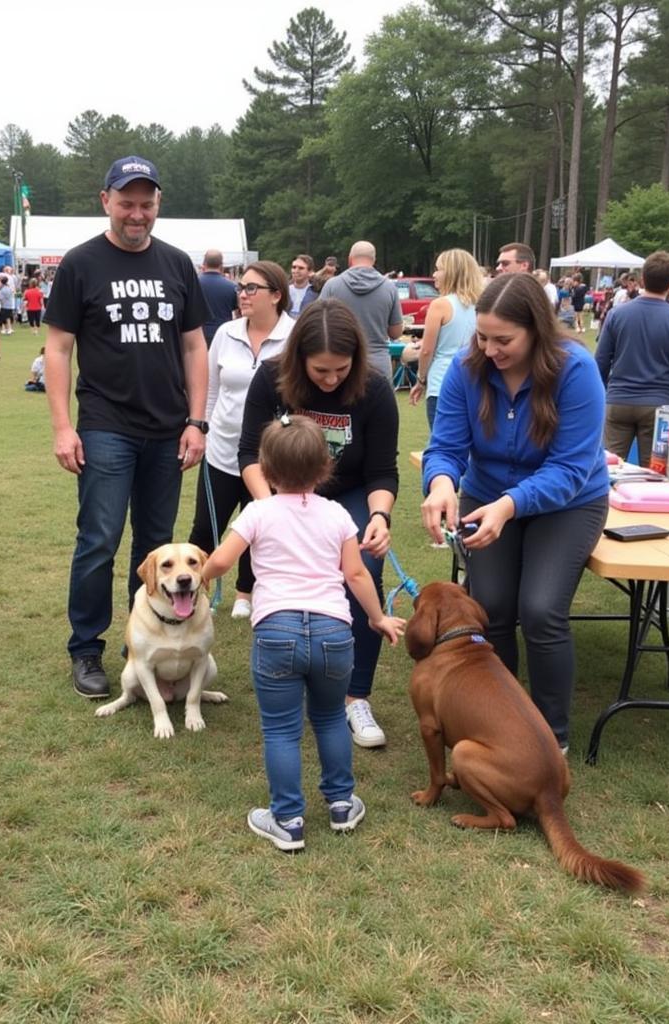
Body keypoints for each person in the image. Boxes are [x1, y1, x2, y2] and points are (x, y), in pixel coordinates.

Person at [421, 273, 611, 752]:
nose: (490, 349)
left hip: (568, 503)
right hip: (487, 498)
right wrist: (441, 481)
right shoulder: (468, 370)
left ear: (537, 331)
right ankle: (498, 727)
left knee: (542, 609)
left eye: (503, 340)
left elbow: (570, 469)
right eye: (482, 337)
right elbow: (444, 446)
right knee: (493, 609)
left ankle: (552, 737)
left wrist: (510, 504)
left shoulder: (576, 369)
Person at [44, 154, 209, 699]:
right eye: (126, 203)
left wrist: (197, 421)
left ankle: (143, 644)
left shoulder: (178, 264)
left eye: (146, 203)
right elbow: (59, 347)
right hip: (105, 424)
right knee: (99, 539)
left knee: (159, 546)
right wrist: (64, 427)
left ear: (158, 204)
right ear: (106, 201)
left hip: (168, 429)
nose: (136, 214)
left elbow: (193, 345)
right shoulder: (80, 264)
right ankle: (86, 648)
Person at [203, 414, 404, 851]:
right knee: (331, 717)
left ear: (266, 470)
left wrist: (201, 574)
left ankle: (288, 819)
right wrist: (377, 618)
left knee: (280, 729)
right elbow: (355, 574)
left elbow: (221, 562)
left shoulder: (257, 512)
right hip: (334, 631)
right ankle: (341, 804)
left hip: (276, 630)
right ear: (324, 469)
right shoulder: (337, 516)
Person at [239, 299, 400, 749]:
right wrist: (271, 508)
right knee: (286, 577)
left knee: (362, 571)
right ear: (298, 361)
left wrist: (380, 516)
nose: (331, 380)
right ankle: (286, 680)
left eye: (340, 370)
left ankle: (355, 696)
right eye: (320, 371)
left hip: (348, 491)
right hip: (282, 488)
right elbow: (249, 454)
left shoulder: (375, 388)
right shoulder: (270, 377)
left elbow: (382, 471)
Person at [187, 260, 294, 620]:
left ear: (276, 295)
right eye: (241, 287)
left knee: (258, 527)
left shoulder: (295, 337)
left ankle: (246, 592)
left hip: (271, 459)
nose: (243, 294)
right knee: (206, 526)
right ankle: (193, 591)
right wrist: (203, 429)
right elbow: (214, 391)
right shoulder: (225, 333)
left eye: (252, 288)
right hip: (221, 450)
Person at [594, 251, 669, 465]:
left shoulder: (617, 314)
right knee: (653, 471)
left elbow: (601, 362)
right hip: (658, 405)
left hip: (619, 400)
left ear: (642, 278)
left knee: (611, 467)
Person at [409, 248, 482, 428]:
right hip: (476, 383)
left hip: (442, 383)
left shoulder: (440, 305)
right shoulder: (483, 304)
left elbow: (427, 350)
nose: (434, 274)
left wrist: (420, 380)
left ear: (451, 272)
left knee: (442, 445)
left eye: (438, 269)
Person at [318, 241, 403, 378]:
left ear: (350, 259)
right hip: (378, 364)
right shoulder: (389, 288)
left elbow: (317, 322)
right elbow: (396, 333)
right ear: (374, 260)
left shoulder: (332, 286)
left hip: (341, 363)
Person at [198, 249, 238, 345]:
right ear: (221, 266)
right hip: (224, 334)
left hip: (199, 334)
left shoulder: (193, 285)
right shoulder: (232, 287)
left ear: (204, 264)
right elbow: (238, 313)